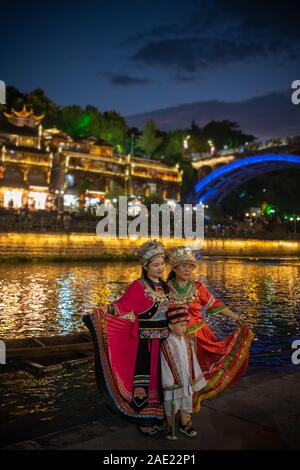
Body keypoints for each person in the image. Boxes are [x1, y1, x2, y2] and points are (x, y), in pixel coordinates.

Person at [83, 240, 170, 436]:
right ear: (145, 266)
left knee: (161, 380)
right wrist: (101, 312)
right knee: (144, 380)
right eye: (156, 265)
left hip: (163, 342)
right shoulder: (138, 286)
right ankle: (143, 419)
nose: (160, 268)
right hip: (145, 344)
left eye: (162, 264)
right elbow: (122, 306)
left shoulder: (164, 287)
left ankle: (158, 417)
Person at [167, 247, 254, 412]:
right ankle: (173, 410)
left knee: (197, 375)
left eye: (191, 266)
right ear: (174, 267)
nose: (187, 269)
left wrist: (236, 317)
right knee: (177, 375)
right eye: (183, 265)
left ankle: (188, 410)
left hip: (200, 337)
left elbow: (214, 305)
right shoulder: (165, 289)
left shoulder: (198, 287)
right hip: (175, 339)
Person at [161, 304, 207, 440]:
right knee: (171, 403)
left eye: (185, 325)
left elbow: (193, 360)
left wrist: (195, 377)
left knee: (187, 401)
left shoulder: (187, 341)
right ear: (171, 326)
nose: (184, 328)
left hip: (186, 379)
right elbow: (165, 365)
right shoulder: (166, 344)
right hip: (173, 382)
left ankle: (186, 424)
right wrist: (169, 382)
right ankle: (170, 427)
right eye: (181, 325)